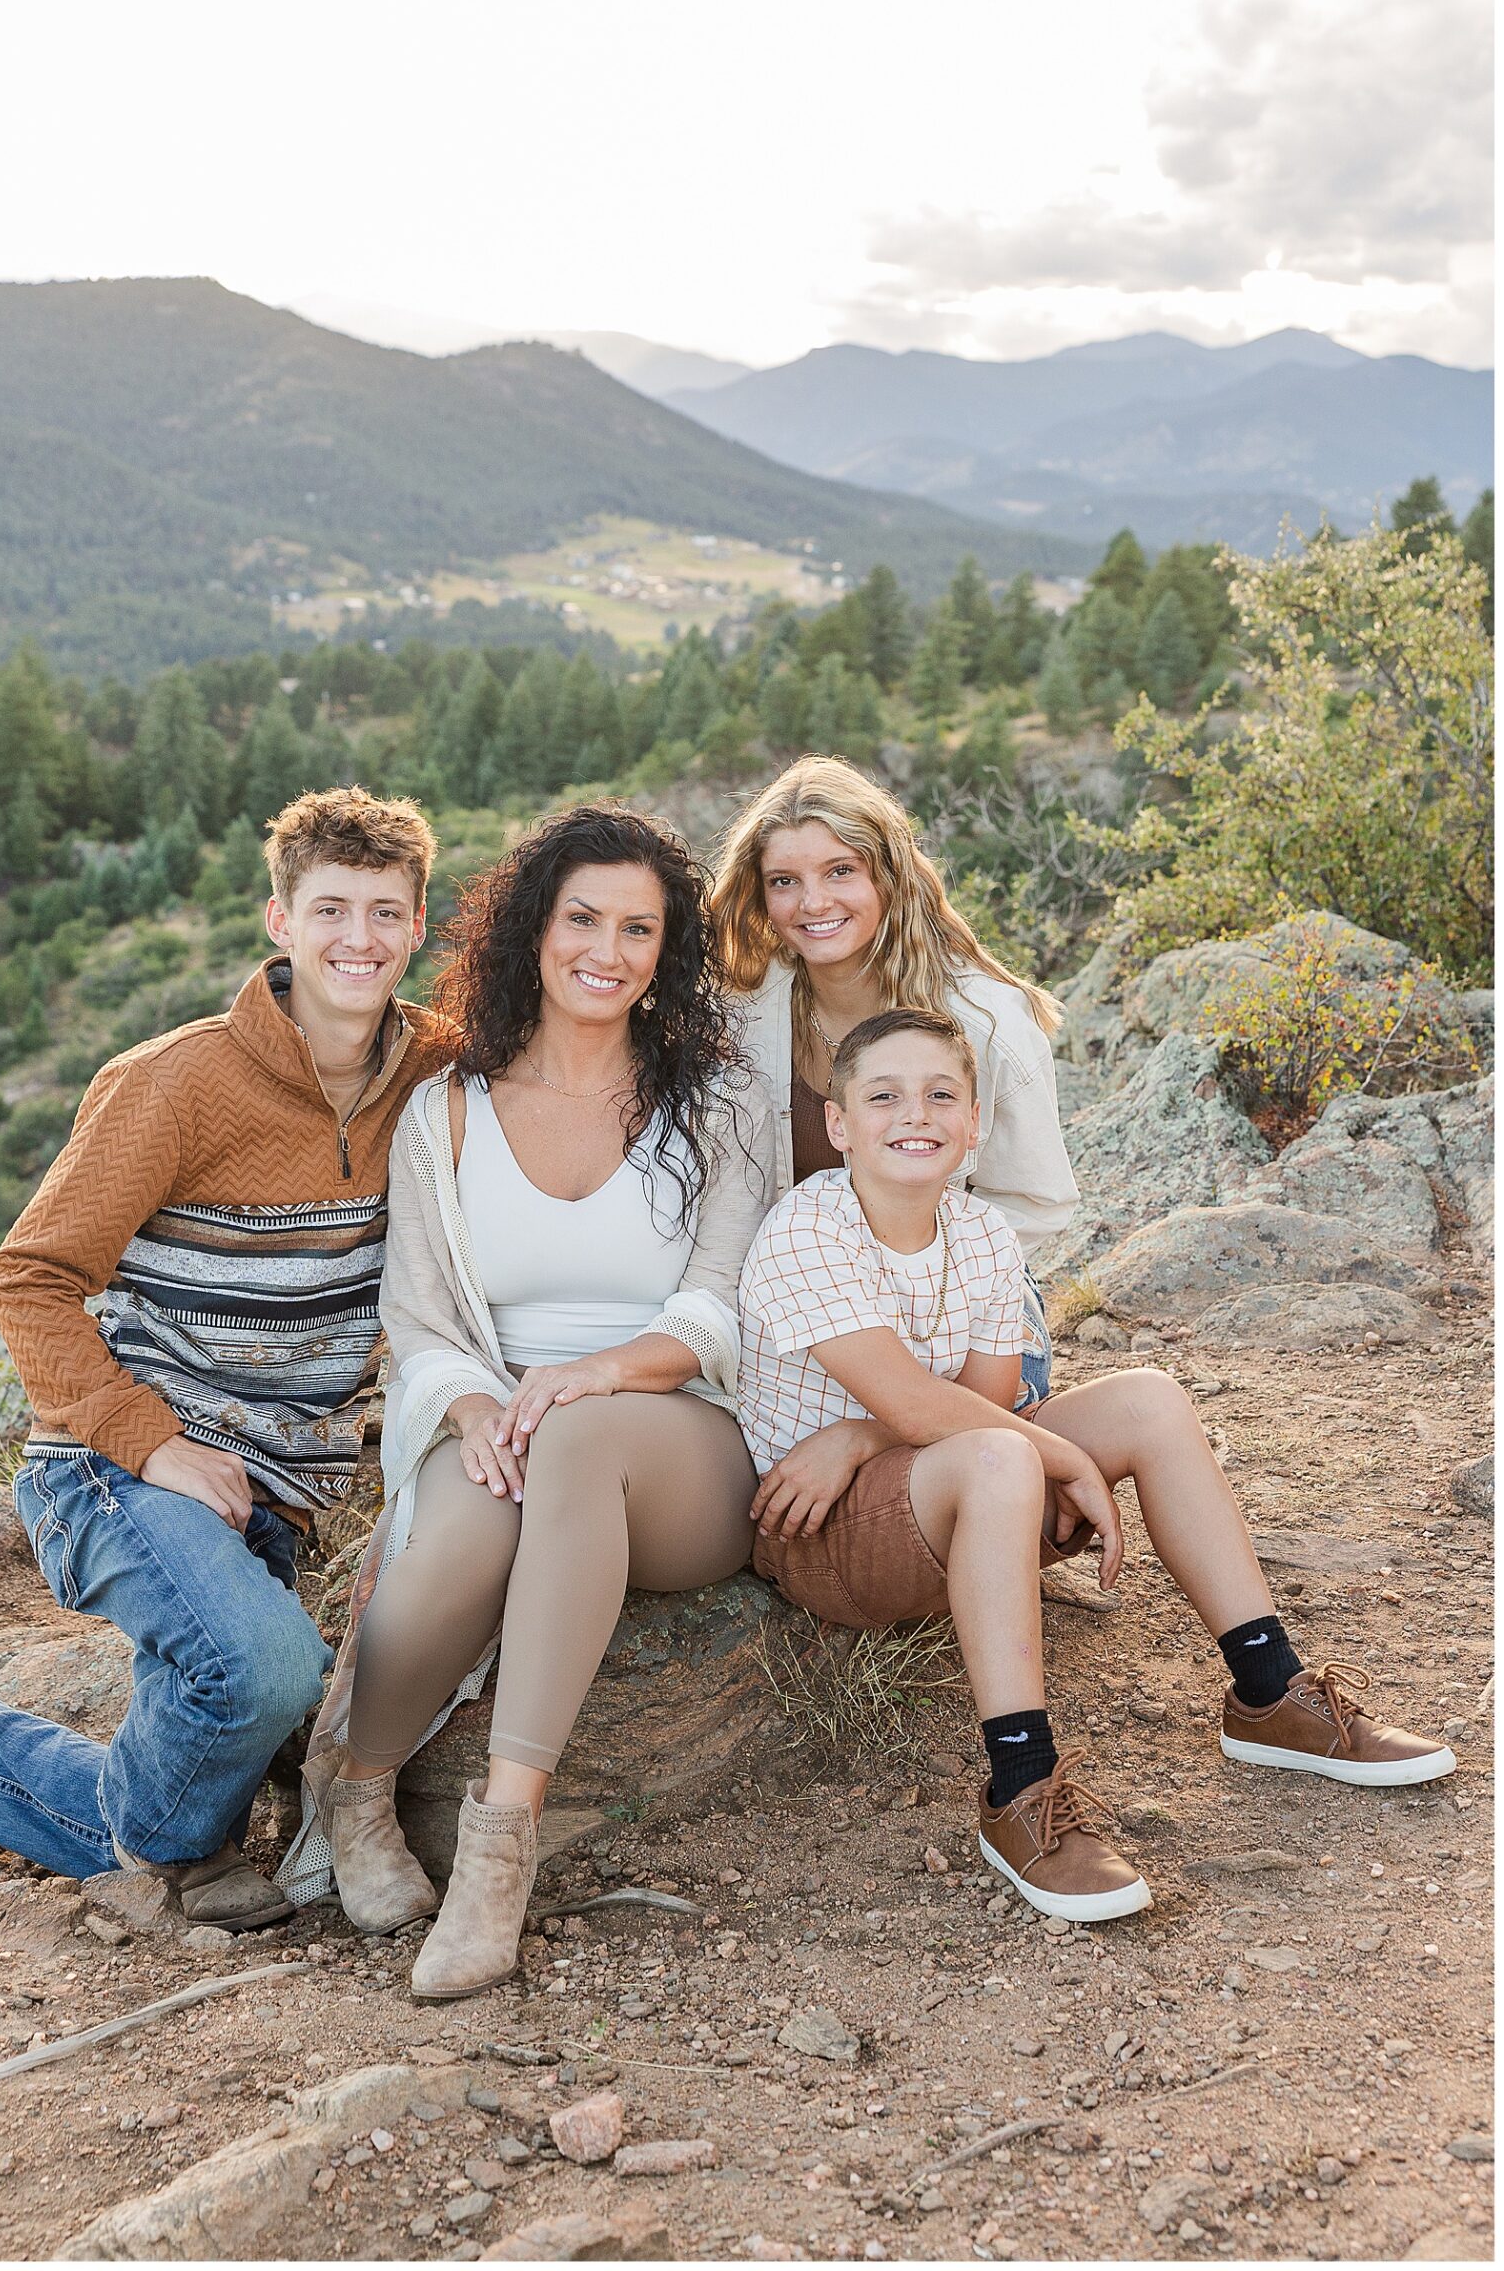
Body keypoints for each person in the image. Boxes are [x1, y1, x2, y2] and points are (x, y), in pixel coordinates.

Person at [0, 786, 447, 1931]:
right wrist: (153, 1444)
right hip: (114, 1467)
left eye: (383, 912)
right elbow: (27, 1276)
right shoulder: (172, 1083)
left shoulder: (433, 1074)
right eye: (329, 910)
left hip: (282, 1486)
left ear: (420, 926)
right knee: (269, 1675)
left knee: (215, 1733)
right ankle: (143, 1834)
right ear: (279, 921)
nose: (356, 939)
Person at [739, 1007, 1457, 1923]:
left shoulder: (982, 1233)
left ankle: (1271, 1692)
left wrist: (867, 1434)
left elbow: (981, 1397)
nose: (911, 1113)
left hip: (942, 1485)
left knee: (1147, 1397)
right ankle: (1022, 1790)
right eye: (882, 1095)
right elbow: (935, 1408)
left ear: (974, 1124)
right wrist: (1058, 1456)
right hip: (826, 1536)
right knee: (1002, 1455)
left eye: (939, 1094)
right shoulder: (807, 1228)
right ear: (839, 1124)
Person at [288, 804, 768, 1998]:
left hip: (677, 1438)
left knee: (582, 1438)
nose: (607, 950)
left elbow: (721, 1309)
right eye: (583, 919)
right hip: (495, 1412)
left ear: (669, 952)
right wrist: (465, 1413)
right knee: (464, 1528)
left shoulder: (717, 1103)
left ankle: (500, 1852)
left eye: (639, 928)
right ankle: (351, 1792)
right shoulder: (447, 1111)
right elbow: (426, 1319)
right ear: (535, 931)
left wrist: (605, 1372)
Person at [710, 755, 1076, 1405]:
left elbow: (1037, 1200)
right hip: (805, 1315)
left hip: (958, 1328)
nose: (813, 902)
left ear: (888, 874)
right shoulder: (743, 1011)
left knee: (953, 1471)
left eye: (840, 871)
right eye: (785, 881)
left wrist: (903, 1280)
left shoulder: (984, 1020)